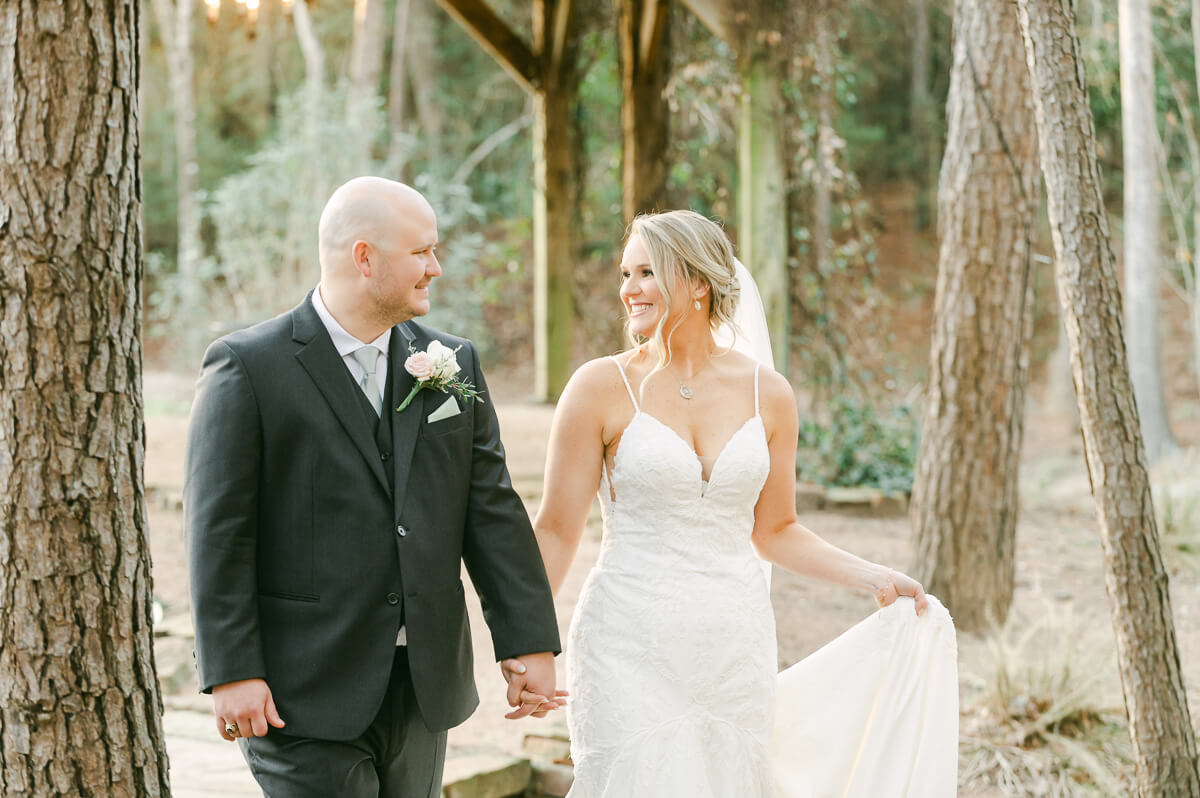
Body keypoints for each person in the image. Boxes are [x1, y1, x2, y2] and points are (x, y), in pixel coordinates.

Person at [531, 210, 958, 796]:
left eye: (647, 272)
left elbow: (777, 529)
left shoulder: (769, 394)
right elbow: (556, 529)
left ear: (699, 283)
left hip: (734, 645)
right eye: (626, 273)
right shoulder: (599, 387)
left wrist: (873, 576)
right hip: (627, 640)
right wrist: (526, 642)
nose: (628, 289)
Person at [183, 176, 564, 798]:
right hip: (299, 690)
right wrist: (231, 671)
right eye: (421, 252)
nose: (436, 267)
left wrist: (528, 644)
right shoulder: (248, 366)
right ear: (364, 257)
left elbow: (490, 510)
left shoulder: (452, 362)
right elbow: (218, 532)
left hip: (424, 686)